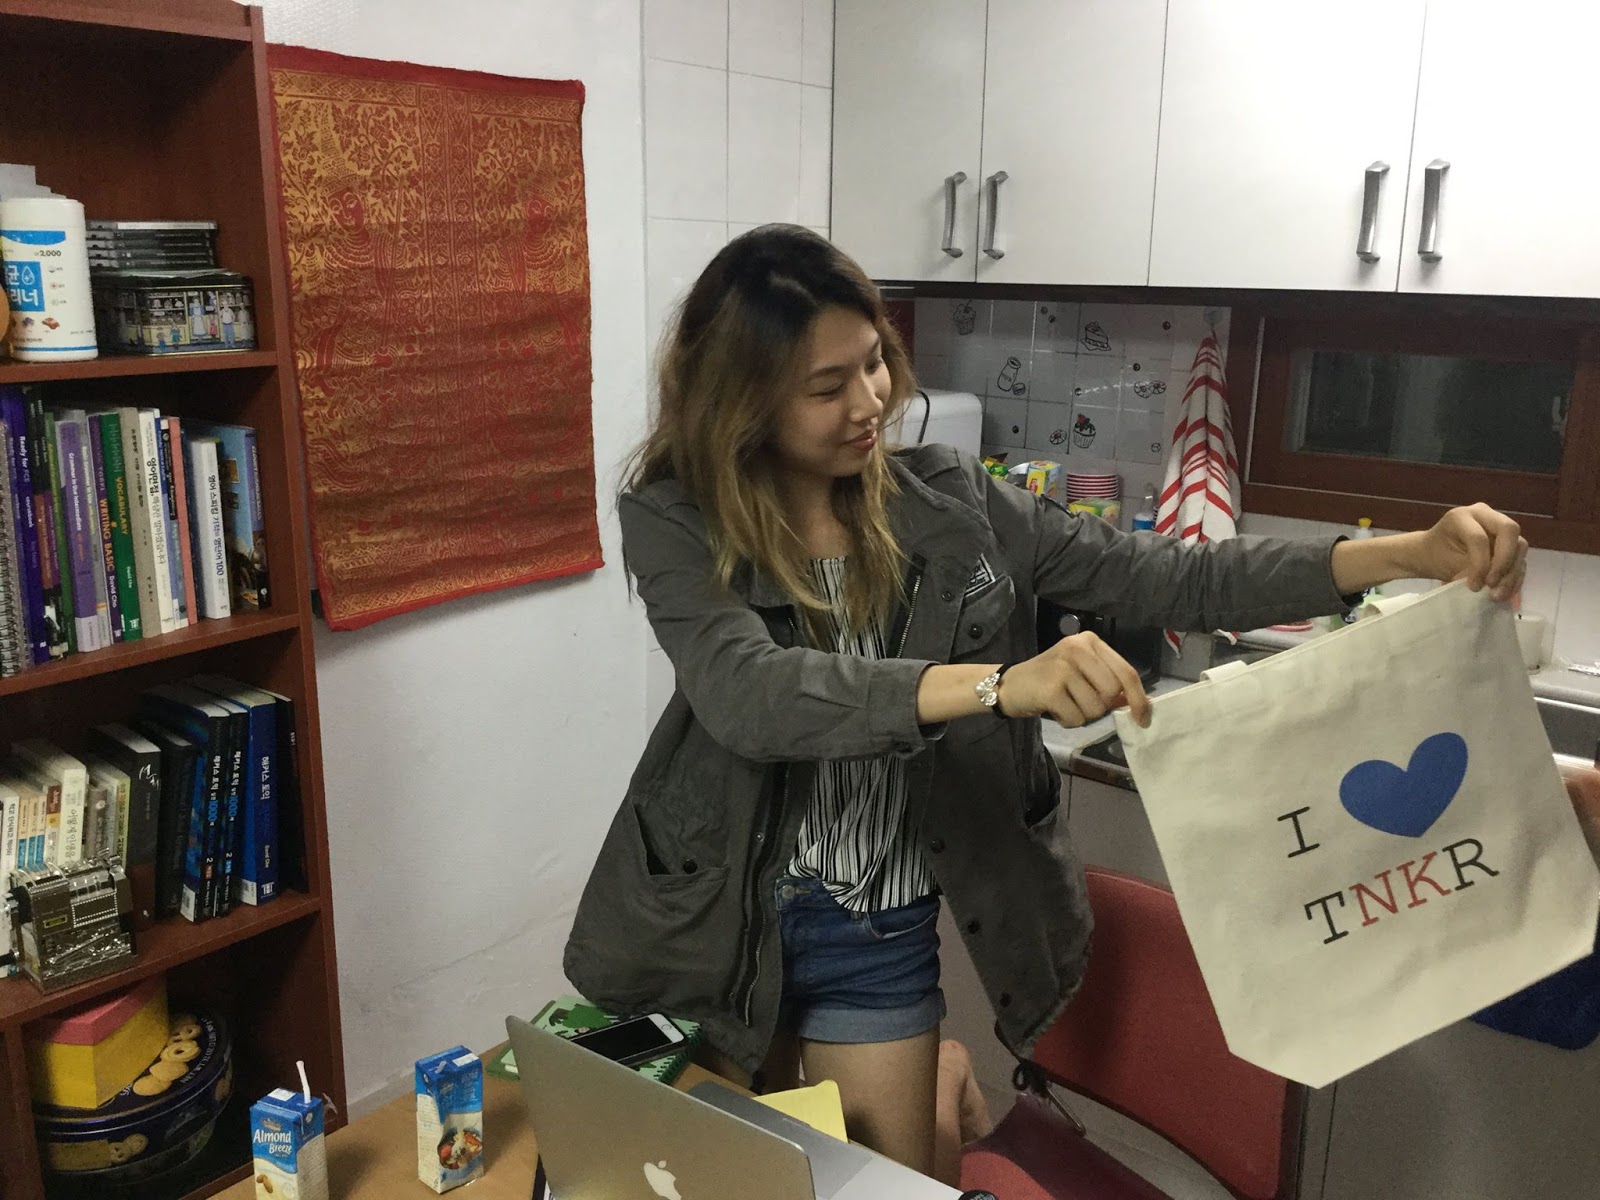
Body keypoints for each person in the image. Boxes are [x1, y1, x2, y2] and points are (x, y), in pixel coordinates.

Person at [562, 225, 1528, 1180]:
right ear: (743, 401)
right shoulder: (674, 515)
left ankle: (939, 1083)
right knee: (722, 1177)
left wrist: (1405, 553)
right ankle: (945, 1088)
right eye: (826, 387)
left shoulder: (948, 499)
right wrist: (998, 684)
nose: (870, 402)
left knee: (879, 1183)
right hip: (722, 919)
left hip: (877, 922)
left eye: (874, 363)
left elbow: (1165, 575)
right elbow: (748, 693)